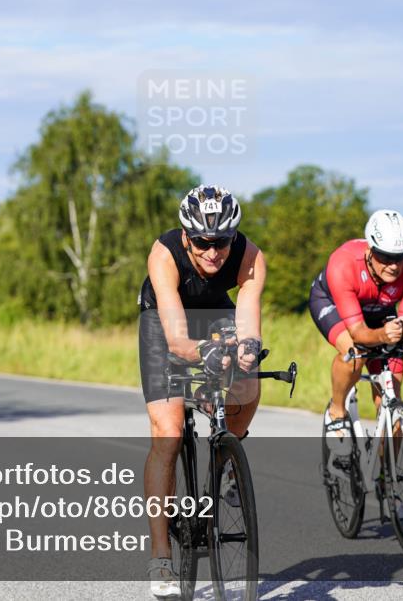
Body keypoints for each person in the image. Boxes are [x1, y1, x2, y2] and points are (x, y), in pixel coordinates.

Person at [138, 185, 266, 599]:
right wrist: (201, 353)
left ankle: (227, 459)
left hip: (215, 312)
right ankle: (161, 557)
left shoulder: (250, 257)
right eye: (202, 242)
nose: (213, 252)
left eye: (222, 242)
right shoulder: (164, 255)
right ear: (186, 235)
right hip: (165, 323)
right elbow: (177, 340)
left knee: (248, 381)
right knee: (169, 431)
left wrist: (245, 351)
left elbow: (248, 322)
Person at [309, 209, 403, 444]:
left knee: (393, 412)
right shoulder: (343, 263)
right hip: (332, 304)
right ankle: (336, 412)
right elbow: (357, 333)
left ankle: (384, 477)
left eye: (401, 257)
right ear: (370, 249)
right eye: (385, 257)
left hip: (379, 311)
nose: (394, 266)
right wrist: (384, 335)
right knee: (355, 353)